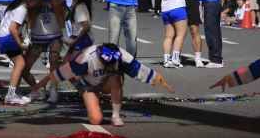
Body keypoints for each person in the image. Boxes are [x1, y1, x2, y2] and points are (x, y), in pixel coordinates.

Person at [38, 43, 173, 126]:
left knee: (115, 77)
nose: (109, 66)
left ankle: (116, 115)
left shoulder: (122, 56)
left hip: (107, 82)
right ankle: (89, 98)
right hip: (88, 86)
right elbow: (59, 73)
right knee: (96, 120)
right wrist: (39, 85)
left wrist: (159, 80)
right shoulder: (86, 59)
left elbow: (139, 70)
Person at [0, 0, 46, 106]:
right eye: (36, 2)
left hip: (2, 36)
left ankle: (16, 92)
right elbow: (13, 29)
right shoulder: (22, 9)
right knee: (21, 64)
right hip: (6, 37)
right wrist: (21, 44)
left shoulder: (17, 5)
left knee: (20, 65)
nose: (37, 5)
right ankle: (11, 95)